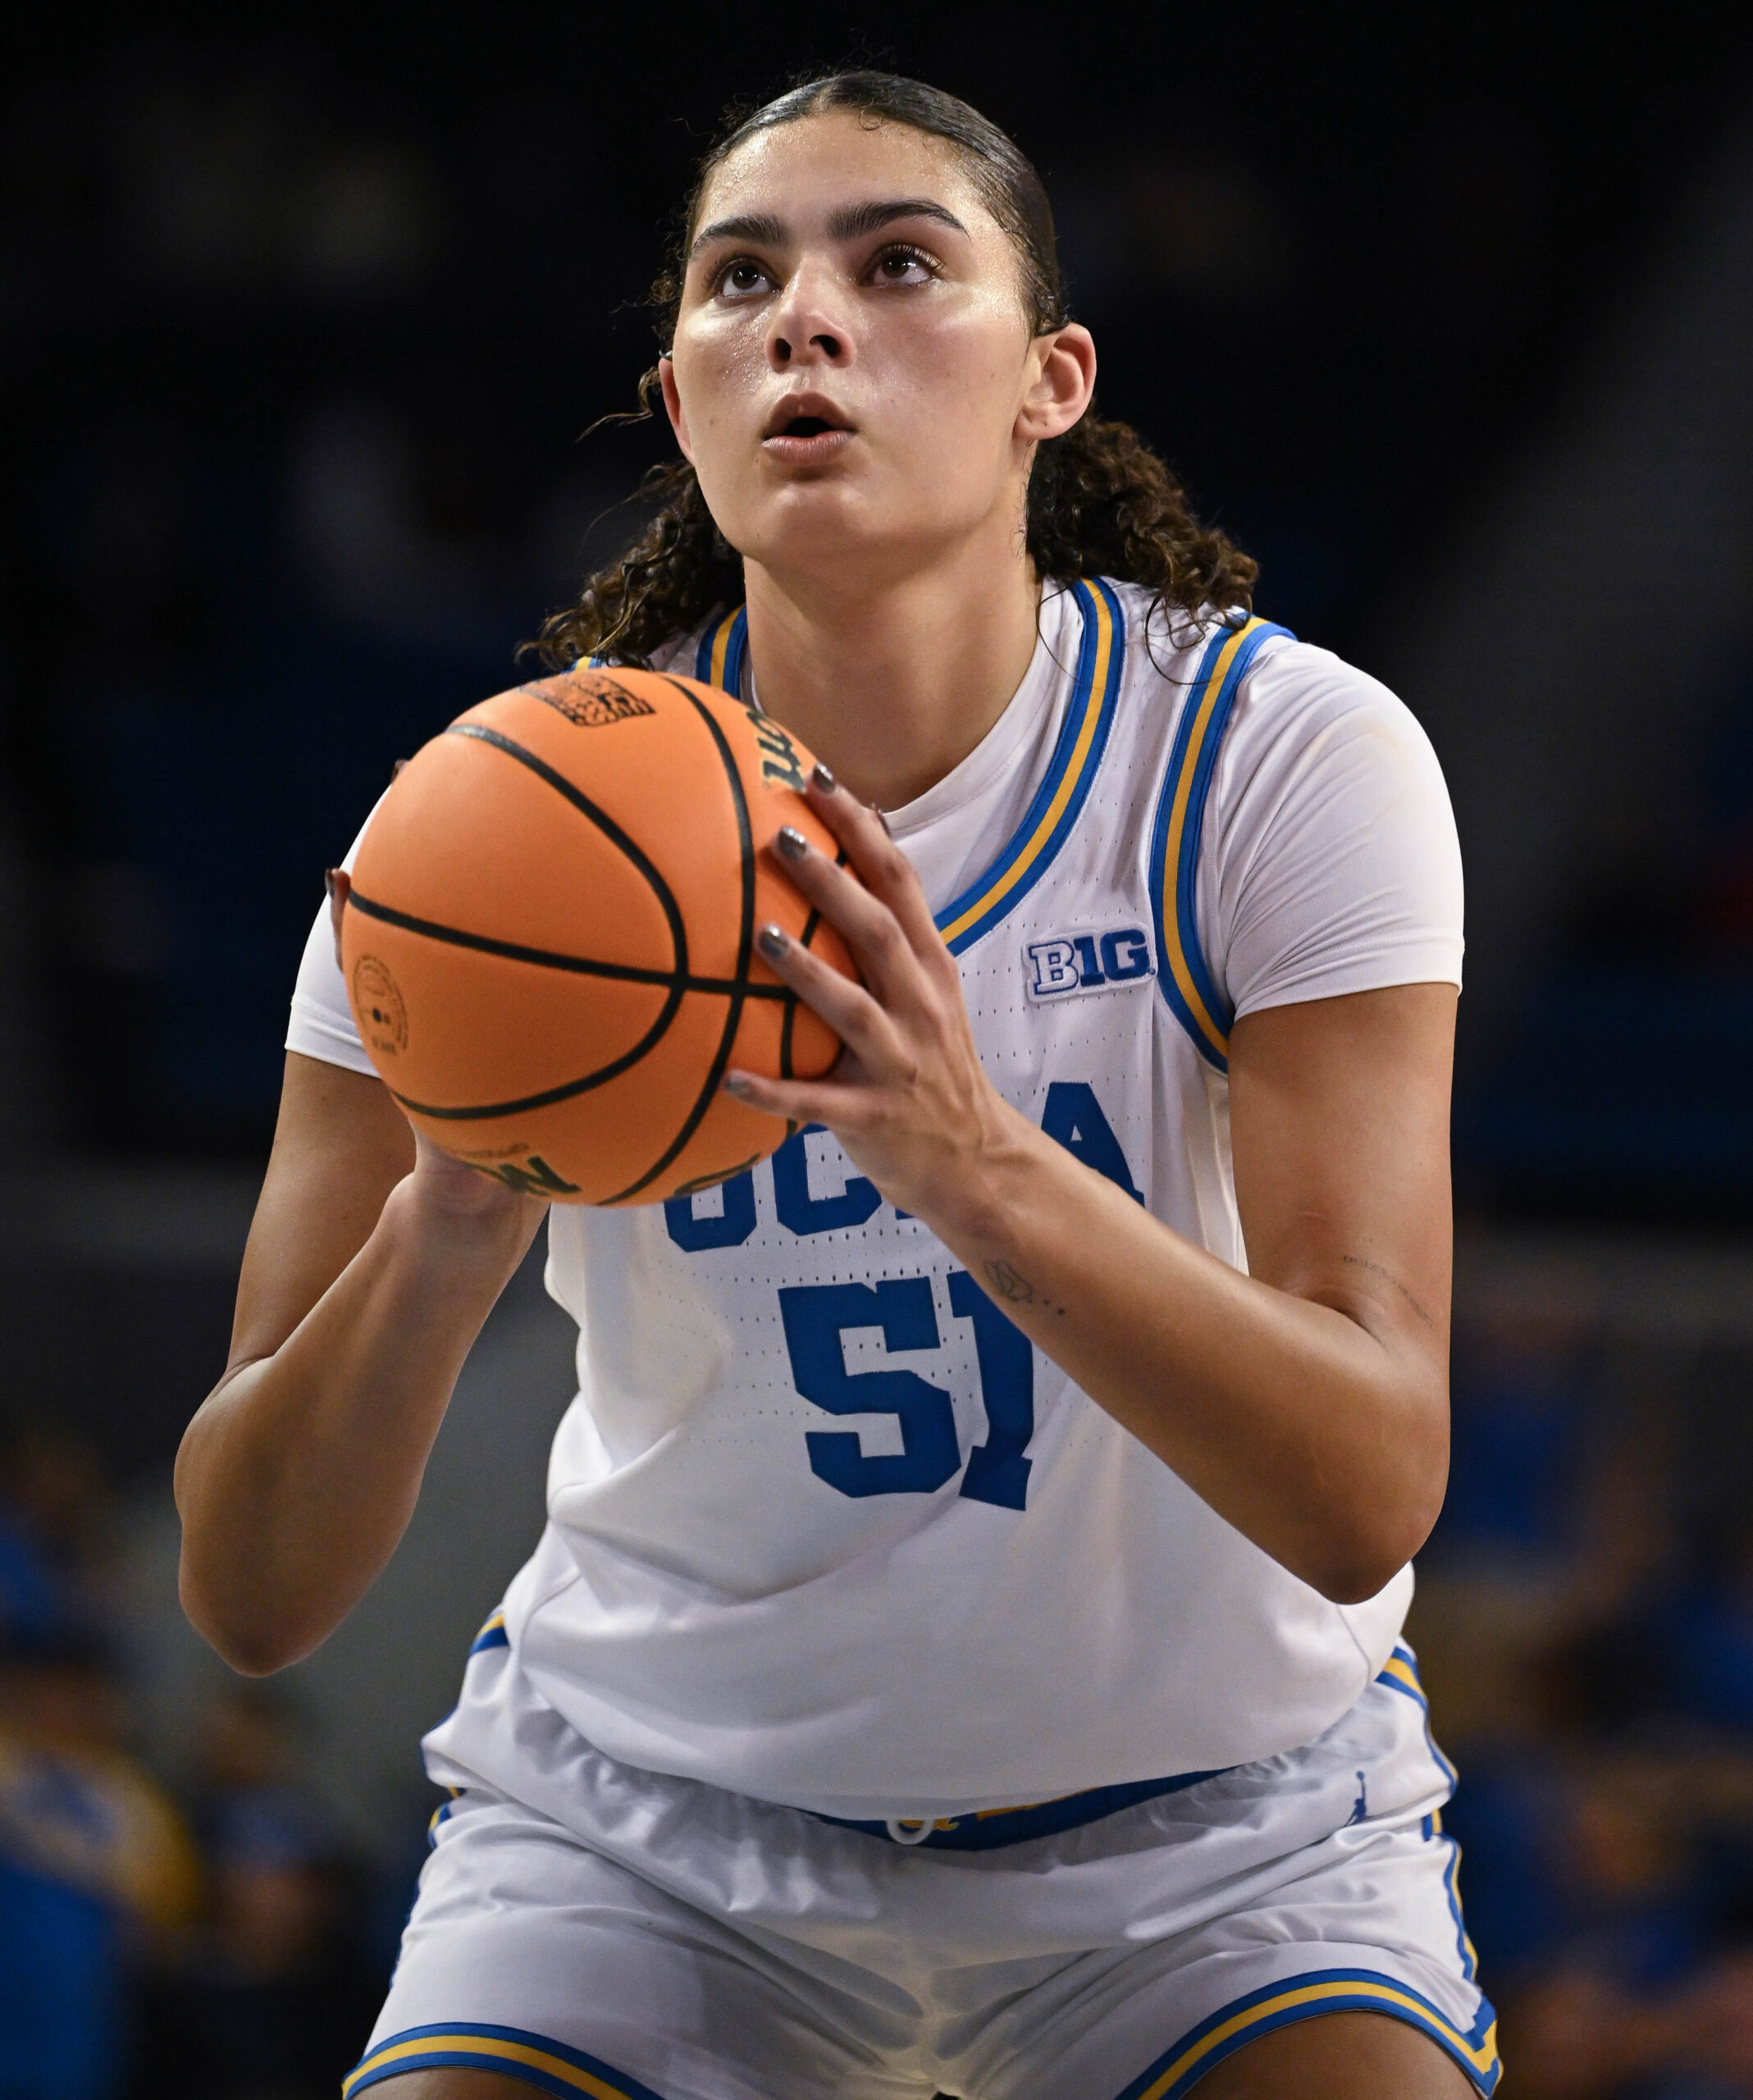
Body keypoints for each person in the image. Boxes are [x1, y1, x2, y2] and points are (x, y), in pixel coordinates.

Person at [173, 71, 1480, 2100]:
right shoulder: (478, 848)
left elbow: (1367, 1486)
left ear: (1051, 379)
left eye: (897, 264)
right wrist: (448, 1217)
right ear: (681, 400)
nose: (806, 318)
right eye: (740, 280)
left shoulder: (1272, 759)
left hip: (1219, 1838)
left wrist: (975, 1168)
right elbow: (250, 1587)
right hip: (648, 1837)